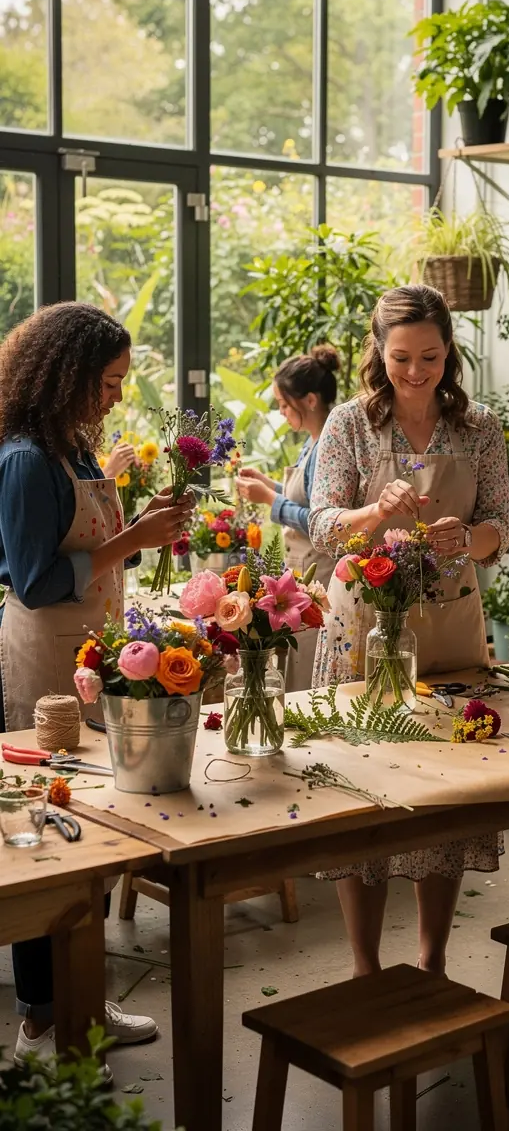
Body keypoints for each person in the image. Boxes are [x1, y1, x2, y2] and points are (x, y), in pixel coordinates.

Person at [0, 301, 193, 1066]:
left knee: (90, 834)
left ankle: (83, 995)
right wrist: (134, 537)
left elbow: (92, 551)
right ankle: (42, 1018)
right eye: (107, 382)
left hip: (88, 653)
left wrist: (136, 526)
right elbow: (37, 581)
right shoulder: (23, 459)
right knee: (46, 835)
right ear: (67, 376)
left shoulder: (74, 450)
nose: (115, 397)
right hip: (45, 659)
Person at [308, 284, 509, 977]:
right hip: (363, 618)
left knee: (447, 792)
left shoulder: (479, 426)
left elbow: (501, 528)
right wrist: (371, 514)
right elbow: (321, 523)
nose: (417, 371)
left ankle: (432, 959)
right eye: (401, 358)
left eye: (430, 356)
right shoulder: (349, 424)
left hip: (450, 619)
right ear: (378, 351)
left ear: (449, 351)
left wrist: (470, 538)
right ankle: (365, 965)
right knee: (360, 787)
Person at [235, 346, 339, 691]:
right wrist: (269, 485)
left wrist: (270, 499)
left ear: (310, 400)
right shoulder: (310, 443)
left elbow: (324, 520)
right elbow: (305, 496)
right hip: (302, 571)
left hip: (320, 571)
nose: (281, 413)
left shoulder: (328, 446)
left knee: (310, 666)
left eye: (284, 405)